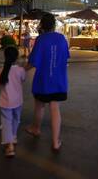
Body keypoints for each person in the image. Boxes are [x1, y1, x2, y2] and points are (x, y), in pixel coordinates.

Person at [24, 13, 69, 151]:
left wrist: (21, 70)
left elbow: (33, 62)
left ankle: (35, 129)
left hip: (43, 81)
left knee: (39, 106)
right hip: (59, 81)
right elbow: (66, 57)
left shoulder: (41, 39)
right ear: (54, 25)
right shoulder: (62, 38)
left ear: (42, 25)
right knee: (55, 108)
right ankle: (55, 142)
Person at [0, 46, 26, 158]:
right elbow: (23, 79)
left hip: (5, 102)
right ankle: (13, 136)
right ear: (17, 57)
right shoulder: (20, 70)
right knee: (16, 119)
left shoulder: (0, 70)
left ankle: (10, 146)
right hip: (18, 101)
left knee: (6, 122)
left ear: (5, 56)